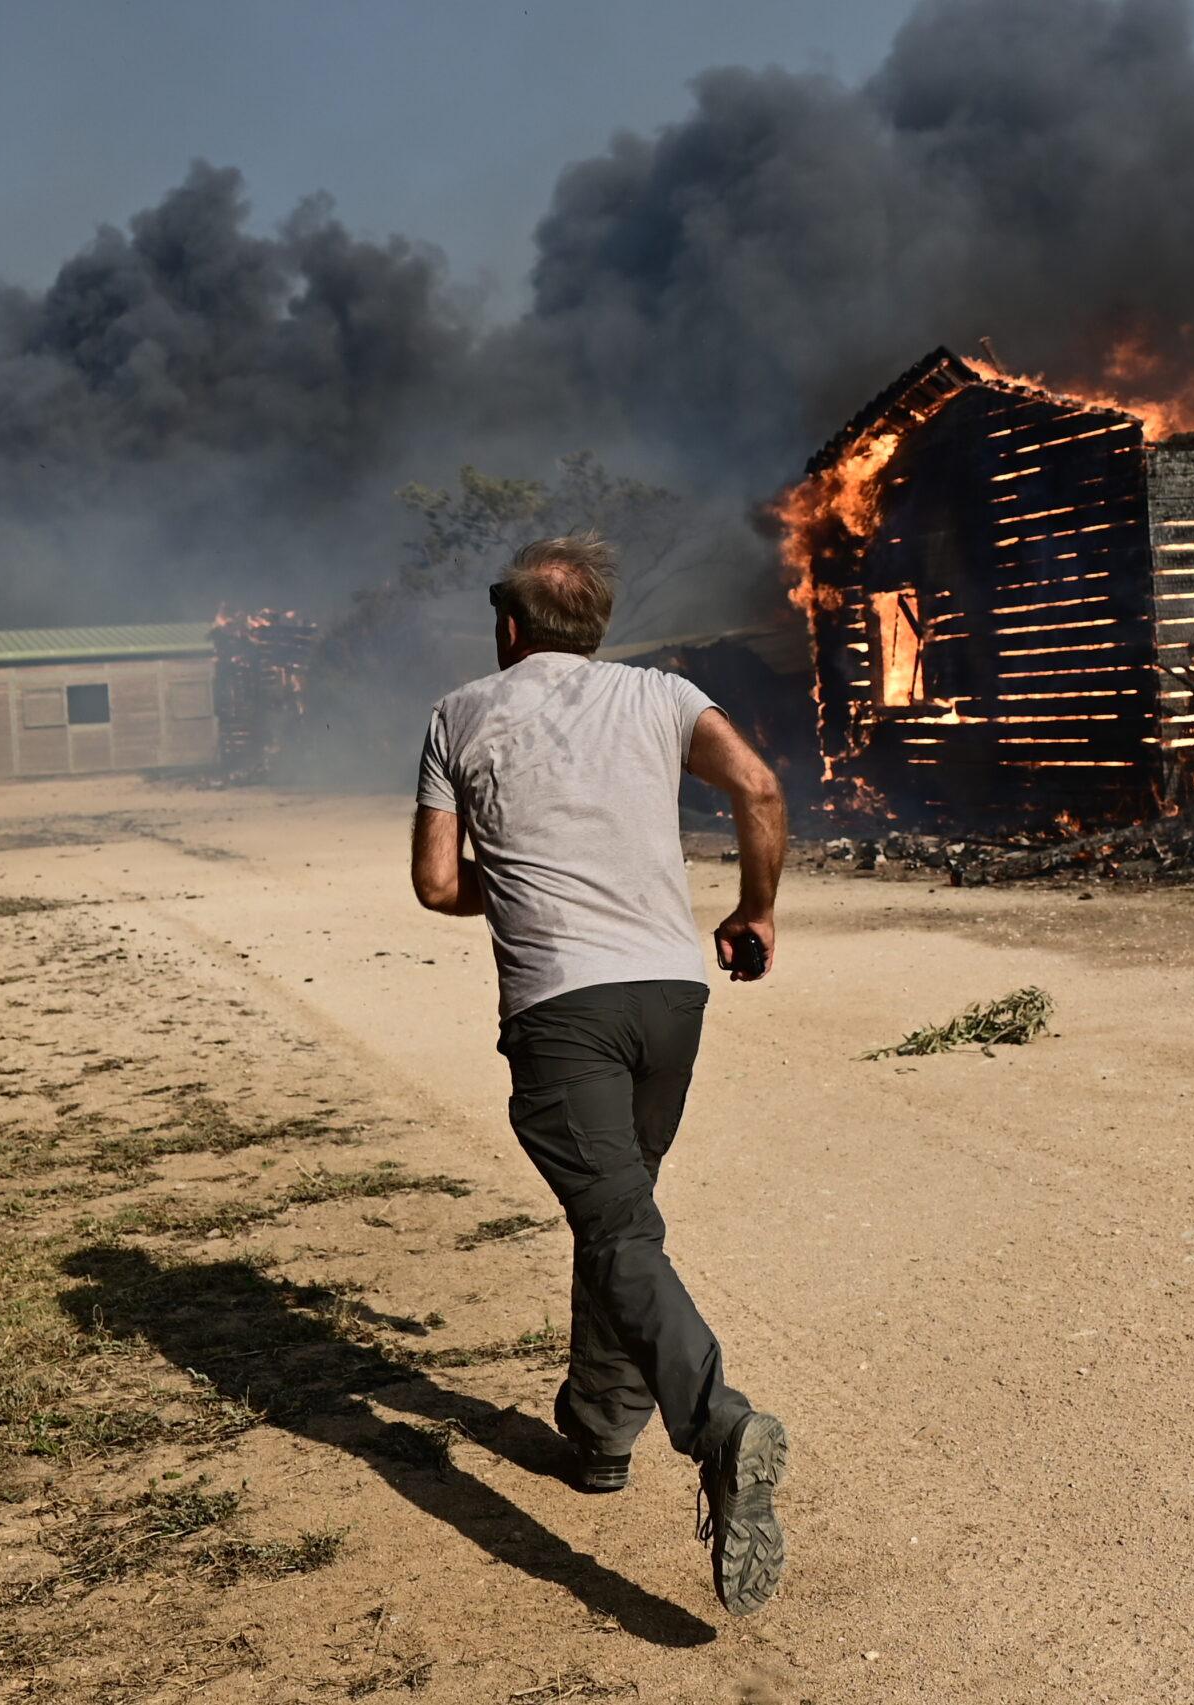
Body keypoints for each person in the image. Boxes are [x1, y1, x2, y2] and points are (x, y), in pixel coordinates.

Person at [409, 532, 792, 1617]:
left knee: (618, 1226)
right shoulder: (665, 697)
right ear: (598, 628)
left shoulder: (458, 714)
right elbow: (760, 789)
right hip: (672, 997)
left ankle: (717, 1426)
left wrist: (530, 884)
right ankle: (600, 1433)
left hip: (561, 1008)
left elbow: (439, 885)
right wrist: (755, 908)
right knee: (616, 1212)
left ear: (510, 625)